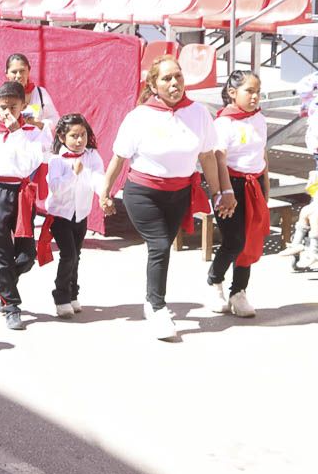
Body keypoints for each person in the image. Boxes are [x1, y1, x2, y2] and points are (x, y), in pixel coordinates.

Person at [101, 55, 235, 341]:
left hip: (180, 194)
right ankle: (158, 306)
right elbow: (119, 158)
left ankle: (153, 300)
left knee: (162, 247)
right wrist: (106, 192)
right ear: (154, 84)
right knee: (160, 245)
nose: (174, 83)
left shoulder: (198, 113)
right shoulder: (139, 116)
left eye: (178, 76)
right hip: (143, 193)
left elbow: (208, 156)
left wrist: (218, 192)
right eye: (166, 78)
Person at [0, 81, 49, 331]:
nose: (7, 113)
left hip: (22, 192)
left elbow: (28, 165)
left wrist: (17, 132)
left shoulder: (33, 134)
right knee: (1, 253)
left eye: (13, 107)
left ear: (23, 106)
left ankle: (4, 285)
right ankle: (11, 305)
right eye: (3, 107)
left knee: (26, 256)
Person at [206, 70, 270, 319]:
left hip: (254, 185)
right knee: (234, 240)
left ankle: (239, 292)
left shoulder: (259, 119)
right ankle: (215, 281)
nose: (255, 97)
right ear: (233, 93)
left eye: (257, 91)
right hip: (229, 185)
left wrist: (265, 189)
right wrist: (226, 192)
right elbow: (218, 158)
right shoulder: (224, 122)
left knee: (251, 240)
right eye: (249, 91)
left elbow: (262, 154)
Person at [46, 113, 103, 319]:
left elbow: (98, 177)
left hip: (81, 214)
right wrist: (73, 174)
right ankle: (60, 297)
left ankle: (72, 294)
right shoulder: (56, 160)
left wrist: (104, 195)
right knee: (68, 255)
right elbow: (55, 188)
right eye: (74, 136)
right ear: (62, 137)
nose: (79, 141)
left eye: (83, 135)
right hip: (60, 216)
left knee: (76, 256)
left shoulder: (92, 156)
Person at [0, 53, 59, 144]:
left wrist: (38, 124)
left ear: (29, 71)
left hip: (37, 148)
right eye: (14, 72)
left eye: (22, 71)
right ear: (6, 73)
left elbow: (56, 120)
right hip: (8, 147)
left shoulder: (40, 93)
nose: (18, 76)